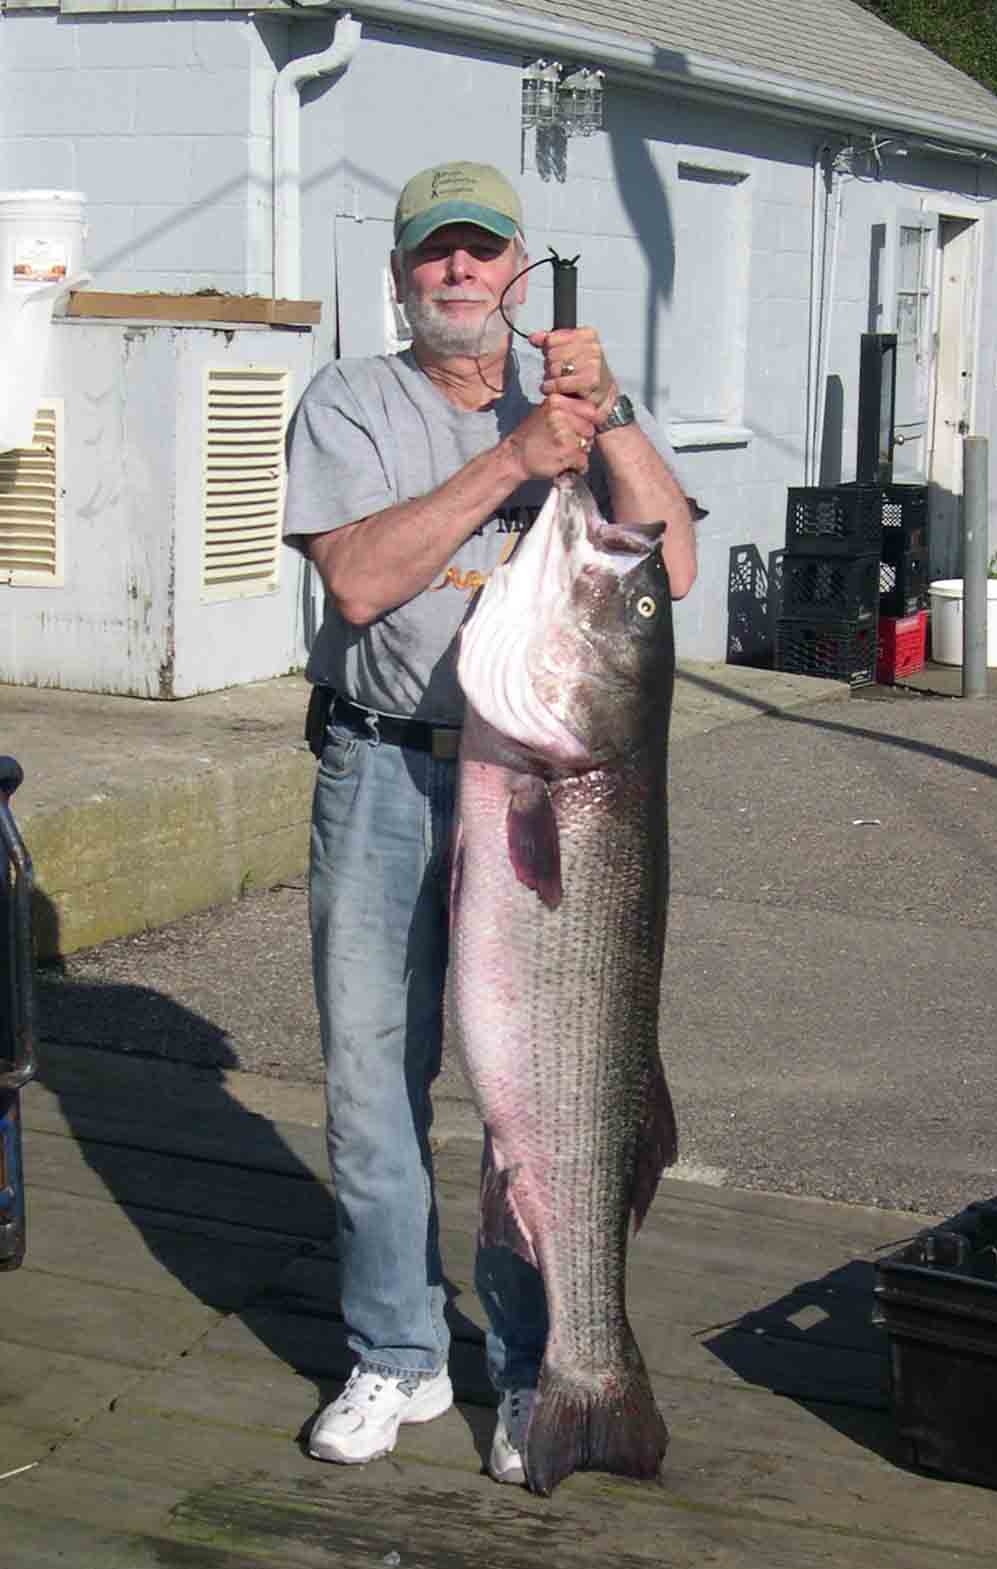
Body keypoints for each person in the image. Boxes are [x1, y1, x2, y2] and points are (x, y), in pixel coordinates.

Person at [282, 160, 698, 1485]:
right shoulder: (352, 398)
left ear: (519, 273)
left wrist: (606, 412)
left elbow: (667, 563)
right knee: (371, 1082)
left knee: (548, 1102)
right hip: (385, 775)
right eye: (432, 256)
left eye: (482, 253)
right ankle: (395, 1352)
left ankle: (544, 1368)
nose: (457, 274)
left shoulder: (581, 409)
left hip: (544, 779)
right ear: (402, 279)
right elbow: (353, 582)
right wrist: (516, 460)